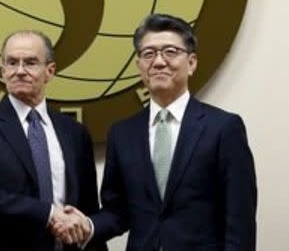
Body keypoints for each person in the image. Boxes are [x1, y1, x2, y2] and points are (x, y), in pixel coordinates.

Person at [55, 13, 257, 250]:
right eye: (148, 54)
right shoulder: (122, 133)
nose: (159, 62)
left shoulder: (224, 128)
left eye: (170, 52)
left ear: (191, 63)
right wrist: (88, 225)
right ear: (139, 65)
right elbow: (118, 211)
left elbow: (240, 219)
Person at [0, 30, 107, 251]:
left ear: (50, 71)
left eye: (31, 63)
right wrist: (48, 213)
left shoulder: (74, 132)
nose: (20, 71)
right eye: (12, 62)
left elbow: (88, 209)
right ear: (3, 70)